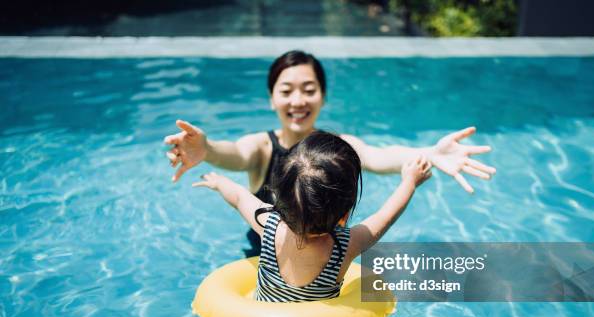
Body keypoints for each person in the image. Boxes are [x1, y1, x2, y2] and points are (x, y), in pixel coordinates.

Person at [164, 50, 495, 254]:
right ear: (271, 98)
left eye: (309, 90)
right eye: (287, 91)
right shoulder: (262, 147)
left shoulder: (337, 148)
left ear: (322, 96)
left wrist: (429, 152)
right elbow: (232, 152)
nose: (298, 101)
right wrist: (205, 148)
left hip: (327, 256)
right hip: (263, 257)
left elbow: (380, 157)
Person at [193, 131, 431, 302]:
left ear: (278, 198)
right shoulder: (347, 245)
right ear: (344, 214)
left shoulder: (269, 227)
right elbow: (387, 214)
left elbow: (238, 197)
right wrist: (410, 181)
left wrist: (218, 182)